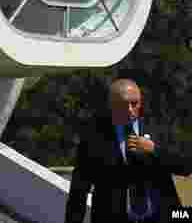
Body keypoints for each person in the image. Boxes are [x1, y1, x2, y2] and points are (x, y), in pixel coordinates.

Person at [65, 78, 192, 222]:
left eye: (134, 103)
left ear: (141, 102)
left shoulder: (162, 127)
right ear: (110, 105)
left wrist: (154, 150)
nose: (129, 110)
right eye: (122, 105)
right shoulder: (92, 137)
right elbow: (78, 192)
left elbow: (186, 166)